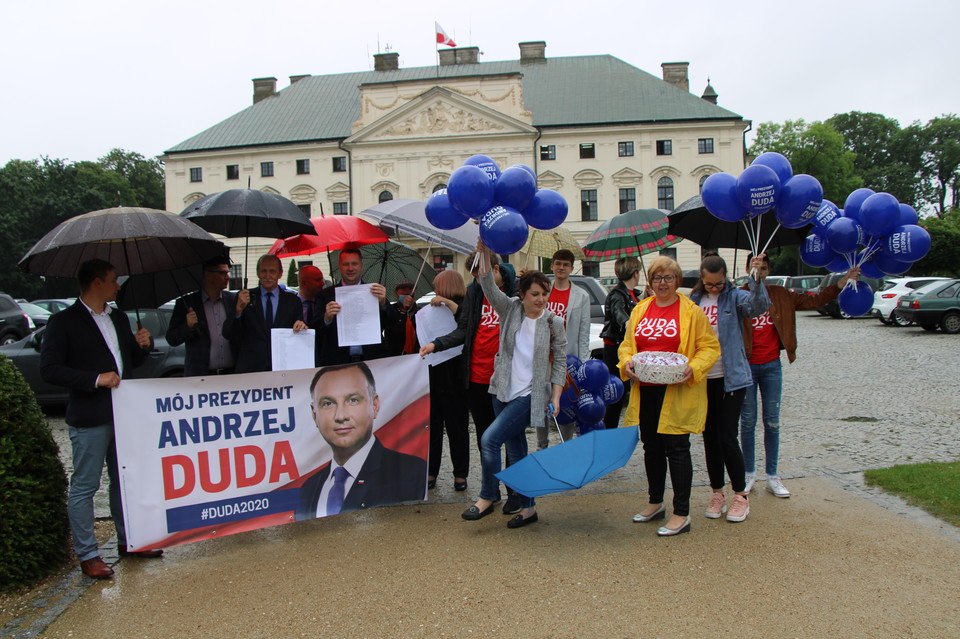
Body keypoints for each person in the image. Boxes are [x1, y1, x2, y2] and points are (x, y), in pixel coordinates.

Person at [40, 259, 160, 579]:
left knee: (125, 481)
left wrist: (143, 347)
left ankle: (130, 540)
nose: (118, 286)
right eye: (112, 280)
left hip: (124, 414)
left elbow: (130, 362)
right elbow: (50, 369)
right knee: (86, 485)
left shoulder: (119, 317)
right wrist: (95, 378)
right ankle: (88, 553)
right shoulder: (63, 322)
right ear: (96, 283)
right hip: (90, 416)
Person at [459, 241, 567, 529]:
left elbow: (559, 362)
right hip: (502, 390)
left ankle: (486, 496)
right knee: (517, 450)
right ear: (522, 294)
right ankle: (529, 507)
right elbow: (485, 281)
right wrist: (482, 249)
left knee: (489, 439)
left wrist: (555, 397)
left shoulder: (553, 322)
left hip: (530, 396)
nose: (541, 299)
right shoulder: (510, 309)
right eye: (535, 294)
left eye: (545, 293)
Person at [740, 254, 861, 498]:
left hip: (772, 365)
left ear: (769, 271)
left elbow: (814, 300)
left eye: (764, 268)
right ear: (747, 269)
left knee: (772, 422)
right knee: (748, 423)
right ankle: (748, 473)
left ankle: (773, 476)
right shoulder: (738, 294)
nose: (760, 272)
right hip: (746, 367)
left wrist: (841, 282)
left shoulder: (781, 294)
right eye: (756, 268)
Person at [619, 256, 719, 537]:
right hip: (646, 389)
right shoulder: (640, 310)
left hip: (676, 391)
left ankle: (681, 512)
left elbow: (709, 348)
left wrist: (694, 368)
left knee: (676, 449)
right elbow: (627, 345)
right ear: (650, 281)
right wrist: (626, 363)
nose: (663, 283)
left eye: (669, 278)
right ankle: (655, 502)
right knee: (651, 447)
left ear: (678, 281)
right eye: (658, 278)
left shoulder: (691, 311)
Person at [418, 252, 523, 513]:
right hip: (476, 377)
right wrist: (437, 344)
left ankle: (515, 492)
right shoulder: (475, 293)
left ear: (496, 270)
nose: (478, 281)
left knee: (510, 436)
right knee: (485, 438)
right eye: (475, 277)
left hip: (506, 378)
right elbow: (464, 328)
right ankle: (490, 491)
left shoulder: (515, 293)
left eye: (482, 275)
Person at [688, 254, 769, 523]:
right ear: (702, 279)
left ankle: (740, 496)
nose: (714, 288)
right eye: (710, 284)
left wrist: (756, 279)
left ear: (726, 278)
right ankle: (717, 492)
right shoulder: (694, 301)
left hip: (731, 378)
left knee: (727, 437)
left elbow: (758, 307)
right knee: (709, 439)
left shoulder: (735, 297)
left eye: (719, 284)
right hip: (703, 379)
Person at [295, 362, 427, 520]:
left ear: (375, 405)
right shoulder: (307, 489)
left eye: (353, 400)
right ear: (314, 414)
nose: (340, 416)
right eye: (328, 403)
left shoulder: (412, 473)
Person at [420, 270, 470, 491]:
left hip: (456, 375)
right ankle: (431, 471)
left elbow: (465, 322)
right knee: (433, 427)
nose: (435, 290)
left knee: (457, 427)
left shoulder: (465, 303)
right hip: (434, 373)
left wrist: (447, 302)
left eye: (438, 286)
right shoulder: (432, 307)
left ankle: (461, 474)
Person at [537, 249, 591, 448]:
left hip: (568, 360)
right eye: (558, 263)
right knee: (542, 404)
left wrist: (583, 366)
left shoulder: (581, 296)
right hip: (543, 359)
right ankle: (541, 446)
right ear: (552, 265)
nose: (561, 268)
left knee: (567, 405)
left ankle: (565, 446)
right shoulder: (542, 290)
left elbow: (583, 333)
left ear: (571, 267)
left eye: (565, 264)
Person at [222, 254, 308, 373]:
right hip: (251, 369)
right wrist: (238, 311)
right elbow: (228, 333)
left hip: (283, 368)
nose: (268, 276)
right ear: (257, 273)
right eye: (263, 271)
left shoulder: (293, 301)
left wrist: (302, 326)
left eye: (272, 271)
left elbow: (300, 331)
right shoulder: (244, 297)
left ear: (280, 273)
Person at [317, 248, 392, 365]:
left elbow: (390, 323)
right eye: (346, 264)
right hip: (337, 363)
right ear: (339, 266)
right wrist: (327, 318)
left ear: (361, 265)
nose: (350, 268)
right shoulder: (325, 295)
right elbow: (316, 329)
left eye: (354, 264)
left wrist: (383, 304)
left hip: (372, 361)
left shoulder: (374, 292)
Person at [166, 256, 238, 376]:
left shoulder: (232, 300)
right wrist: (188, 326)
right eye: (222, 273)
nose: (227, 277)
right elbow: (172, 339)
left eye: (227, 273)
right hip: (200, 377)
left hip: (231, 375)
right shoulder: (187, 303)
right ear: (208, 274)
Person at [599, 256, 643, 429]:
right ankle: (609, 431)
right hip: (616, 349)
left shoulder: (633, 294)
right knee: (616, 394)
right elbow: (619, 314)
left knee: (623, 393)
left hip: (627, 348)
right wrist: (628, 323)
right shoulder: (617, 294)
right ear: (635, 273)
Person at [384, 278, 418, 356]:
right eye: (403, 288)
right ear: (396, 293)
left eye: (410, 288)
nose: (406, 291)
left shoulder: (419, 312)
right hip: (395, 356)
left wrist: (411, 309)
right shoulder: (390, 310)